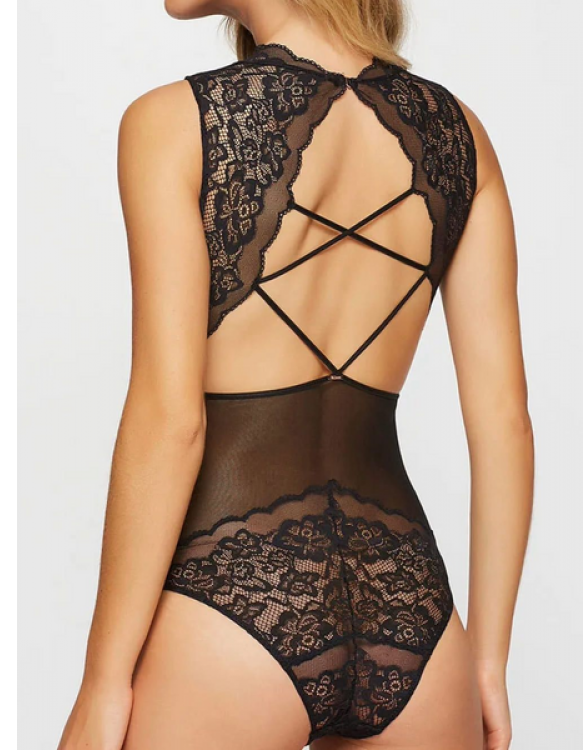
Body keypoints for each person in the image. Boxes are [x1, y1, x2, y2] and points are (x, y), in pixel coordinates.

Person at [58, 1, 534, 749]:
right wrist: (488, 662)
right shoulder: (461, 136)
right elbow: (505, 421)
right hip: (410, 604)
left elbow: (171, 423)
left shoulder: (175, 121)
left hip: (227, 600)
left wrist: (102, 678)